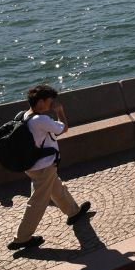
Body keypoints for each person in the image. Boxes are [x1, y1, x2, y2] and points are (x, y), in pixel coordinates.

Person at [10, 84, 90, 251]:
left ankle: (73, 212)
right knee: (37, 202)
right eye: (49, 101)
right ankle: (22, 238)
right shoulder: (41, 120)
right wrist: (60, 111)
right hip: (44, 166)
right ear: (40, 102)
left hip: (33, 165)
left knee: (56, 188)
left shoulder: (25, 115)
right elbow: (64, 128)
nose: (51, 104)